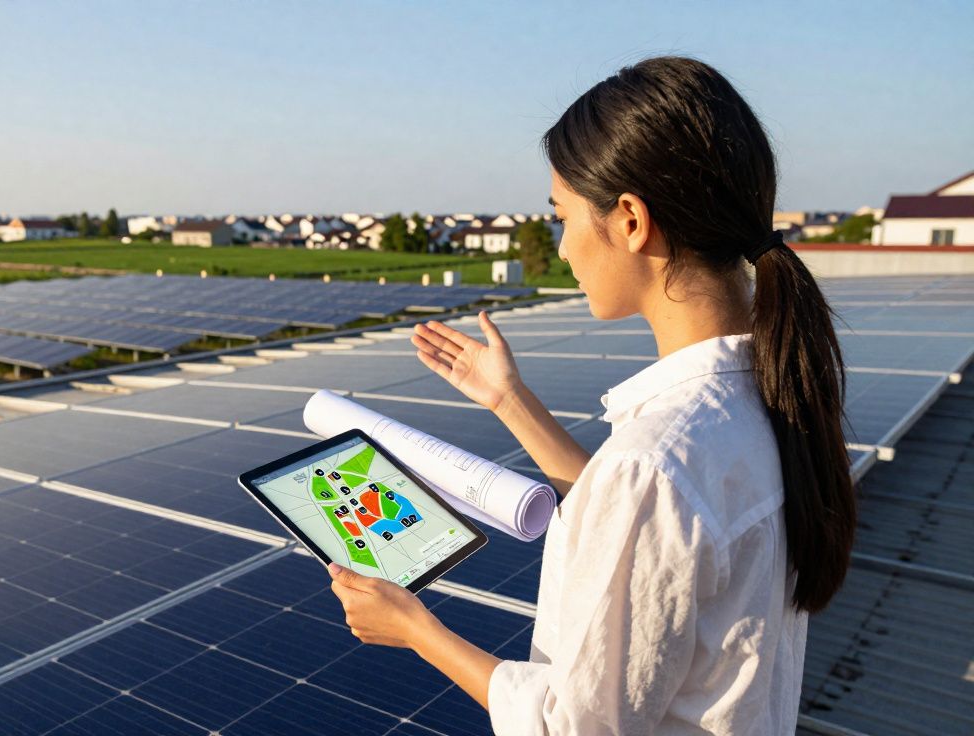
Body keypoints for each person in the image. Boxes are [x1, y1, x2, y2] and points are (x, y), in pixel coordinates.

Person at [325, 55, 855, 734]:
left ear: (630, 219)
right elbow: (661, 521)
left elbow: (573, 728)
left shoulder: (657, 463)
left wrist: (415, 629)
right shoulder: (768, 395)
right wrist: (509, 400)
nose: (563, 249)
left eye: (563, 217)